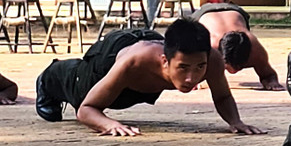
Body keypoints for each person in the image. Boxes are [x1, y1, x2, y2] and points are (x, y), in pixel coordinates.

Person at [34, 19, 265, 136]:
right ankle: (47, 78)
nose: (191, 78)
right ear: (165, 61)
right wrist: (110, 124)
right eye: (183, 68)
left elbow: (223, 96)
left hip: (148, 52)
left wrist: (235, 122)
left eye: (199, 68)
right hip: (110, 59)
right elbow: (86, 110)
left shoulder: (212, 60)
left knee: (120, 96)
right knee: (79, 87)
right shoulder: (134, 63)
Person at [190, 3, 284, 90]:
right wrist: (193, 79)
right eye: (226, 66)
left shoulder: (255, 49)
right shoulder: (210, 46)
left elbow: (269, 74)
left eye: (240, 67)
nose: (233, 71)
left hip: (234, 11)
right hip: (204, 14)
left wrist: (271, 81)